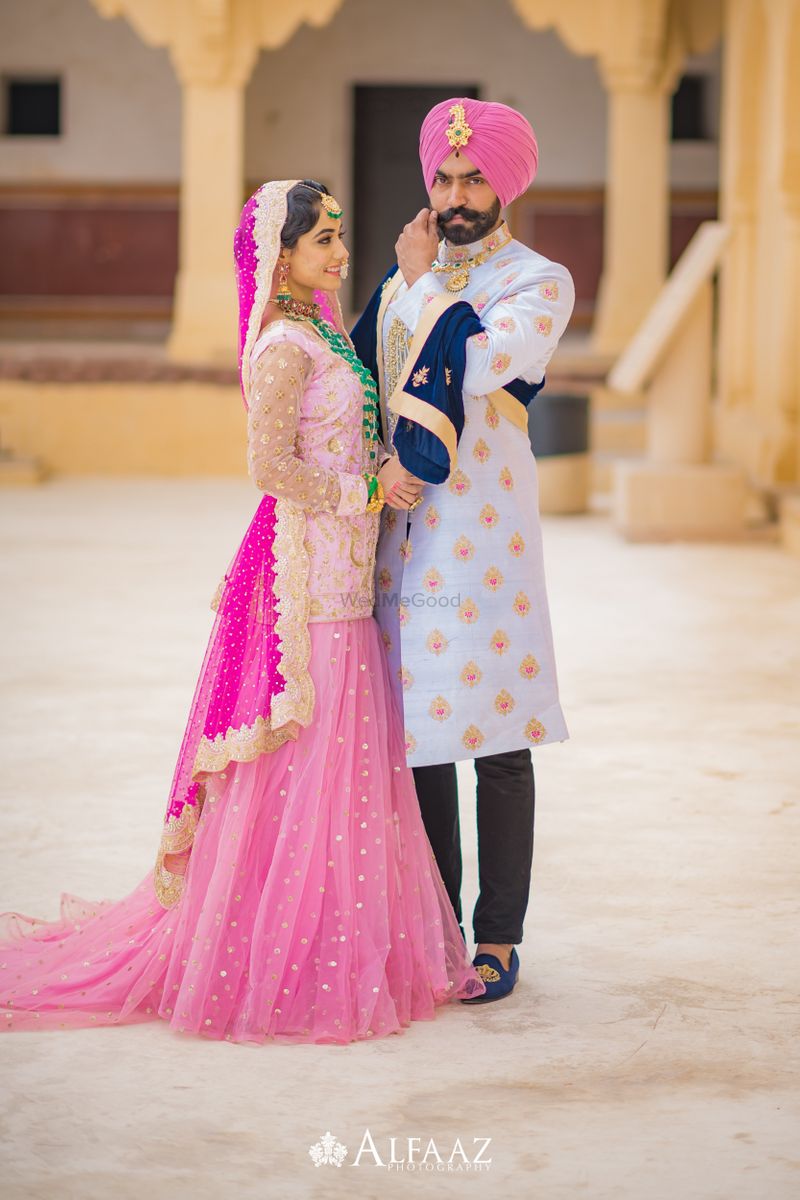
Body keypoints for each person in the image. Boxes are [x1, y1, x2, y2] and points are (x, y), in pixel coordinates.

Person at [0, 179, 484, 1044]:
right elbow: (270, 470)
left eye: (340, 235)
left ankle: (336, 943)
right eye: (323, 241)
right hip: (307, 590)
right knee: (303, 759)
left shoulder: (326, 329)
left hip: (347, 577)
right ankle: (267, 956)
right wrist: (367, 486)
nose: (338, 252)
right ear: (283, 258)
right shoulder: (283, 347)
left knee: (346, 761)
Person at [352, 99, 575, 1003]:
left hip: (488, 545)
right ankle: (438, 929)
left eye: (473, 177)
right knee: (422, 740)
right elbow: (369, 380)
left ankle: (498, 939)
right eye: (444, 179)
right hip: (405, 534)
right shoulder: (409, 279)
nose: (455, 196)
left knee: (500, 740)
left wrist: (422, 282)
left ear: (507, 181)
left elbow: (482, 365)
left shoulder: (537, 280)